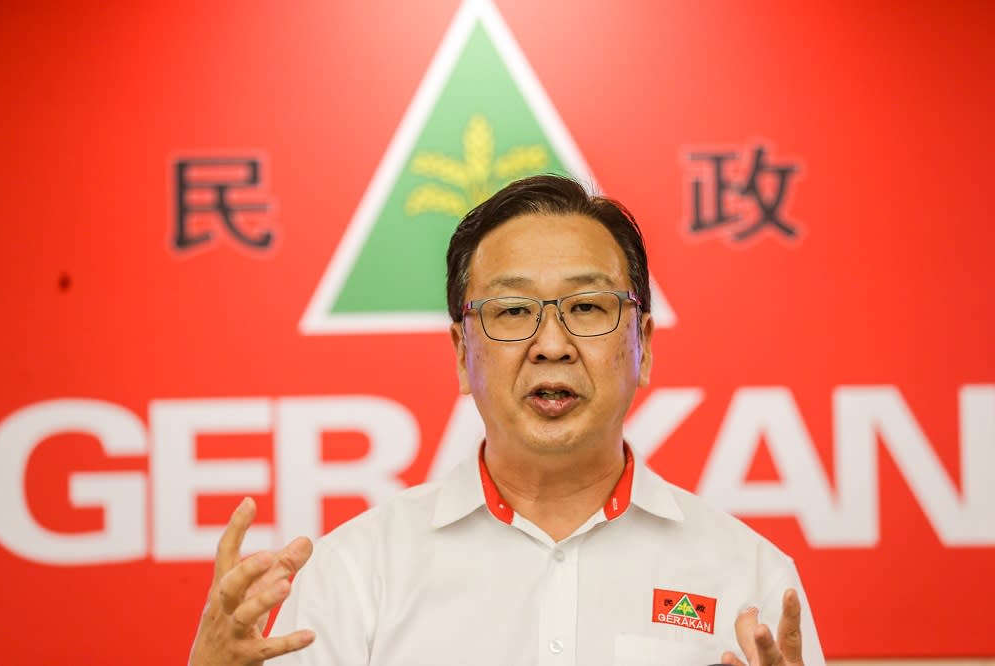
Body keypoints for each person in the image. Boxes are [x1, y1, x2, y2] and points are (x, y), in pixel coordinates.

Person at [188, 175, 824, 666]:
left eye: (587, 306)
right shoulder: (357, 572)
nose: (552, 343)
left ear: (644, 345)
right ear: (463, 355)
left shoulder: (752, 577)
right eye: (514, 311)